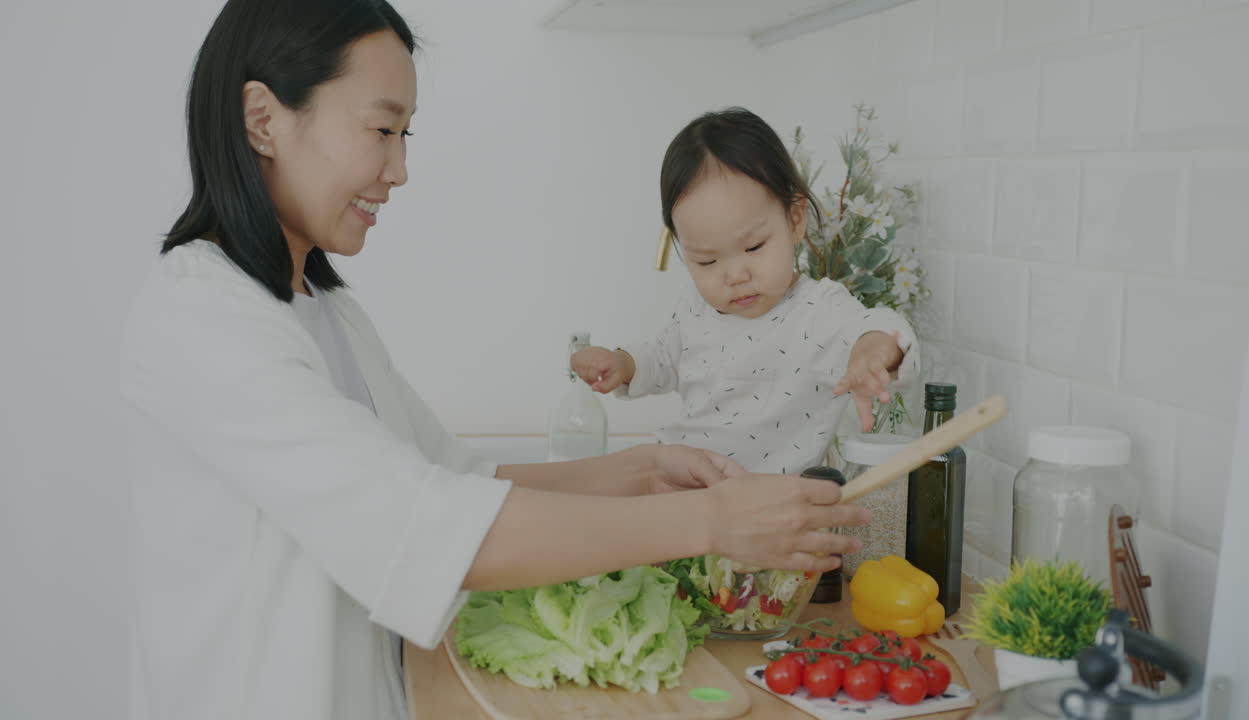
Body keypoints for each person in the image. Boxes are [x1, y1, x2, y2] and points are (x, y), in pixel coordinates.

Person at [119, 3, 871, 719]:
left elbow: (448, 477)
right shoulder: (204, 316)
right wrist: (706, 522)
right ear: (263, 120)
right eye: (382, 128)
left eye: (406, 134)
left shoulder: (327, 310)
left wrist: (640, 474)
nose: (399, 168)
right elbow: (423, 523)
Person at [571, 108, 920, 474]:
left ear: (795, 219)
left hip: (765, 507)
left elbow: (876, 325)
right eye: (706, 261)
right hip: (683, 479)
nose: (735, 275)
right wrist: (622, 363)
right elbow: (661, 356)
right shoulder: (695, 310)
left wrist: (872, 350)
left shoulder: (817, 312)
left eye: (753, 247)